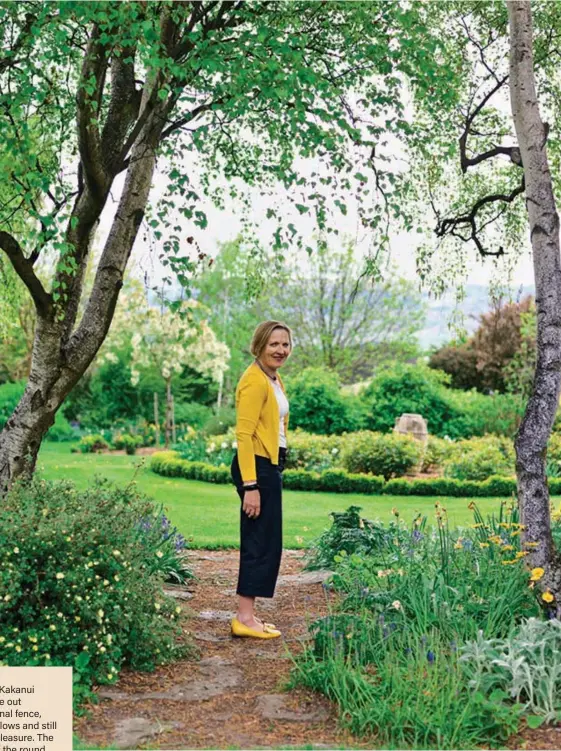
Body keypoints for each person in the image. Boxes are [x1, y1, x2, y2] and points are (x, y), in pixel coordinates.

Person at [230, 320, 292, 639]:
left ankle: (248, 616)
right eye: (274, 344)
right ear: (259, 346)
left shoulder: (272, 378)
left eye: (285, 344)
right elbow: (243, 435)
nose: (280, 350)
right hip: (255, 468)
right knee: (258, 541)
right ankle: (244, 618)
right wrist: (251, 486)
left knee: (266, 541)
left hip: (267, 466)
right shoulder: (254, 381)